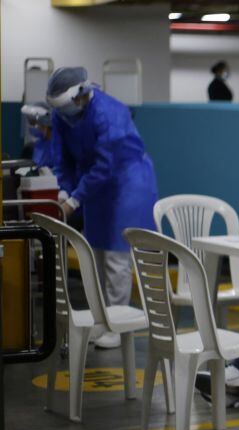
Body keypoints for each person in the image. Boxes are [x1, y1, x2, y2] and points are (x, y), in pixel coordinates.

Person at [47, 66, 157, 350]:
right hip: (93, 186)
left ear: (82, 95)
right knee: (94, 253)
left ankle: (117, 325)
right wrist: (63, 190)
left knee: (115, 257)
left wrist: (74, 200)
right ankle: (101, 319)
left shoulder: (111, 113)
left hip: (127, 182)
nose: (66, 115)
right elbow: (62, 159)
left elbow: (106, 165)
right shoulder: (62, 117)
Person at [20, 102, 58, 171]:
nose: (31, 127)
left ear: (45, 122)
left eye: (32, 123)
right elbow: (37, 167)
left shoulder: (59, 145)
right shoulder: (39, 144)